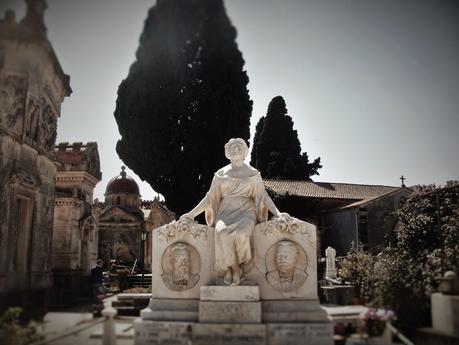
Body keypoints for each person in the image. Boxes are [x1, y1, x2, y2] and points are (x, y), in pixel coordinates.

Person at [180, 138, 291, 285]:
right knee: (221, 233)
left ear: (245, 151)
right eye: (232, 147)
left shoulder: (253, 174)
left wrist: (277, 213)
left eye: (239, 146)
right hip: (225, 212)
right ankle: (234, 268)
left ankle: (238, 267)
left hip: (246, 210)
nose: (236, 149)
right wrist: (191, 214)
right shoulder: (220, 174)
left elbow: (263, 196)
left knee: (242, 234)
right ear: (227, 151)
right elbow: (210, 198)